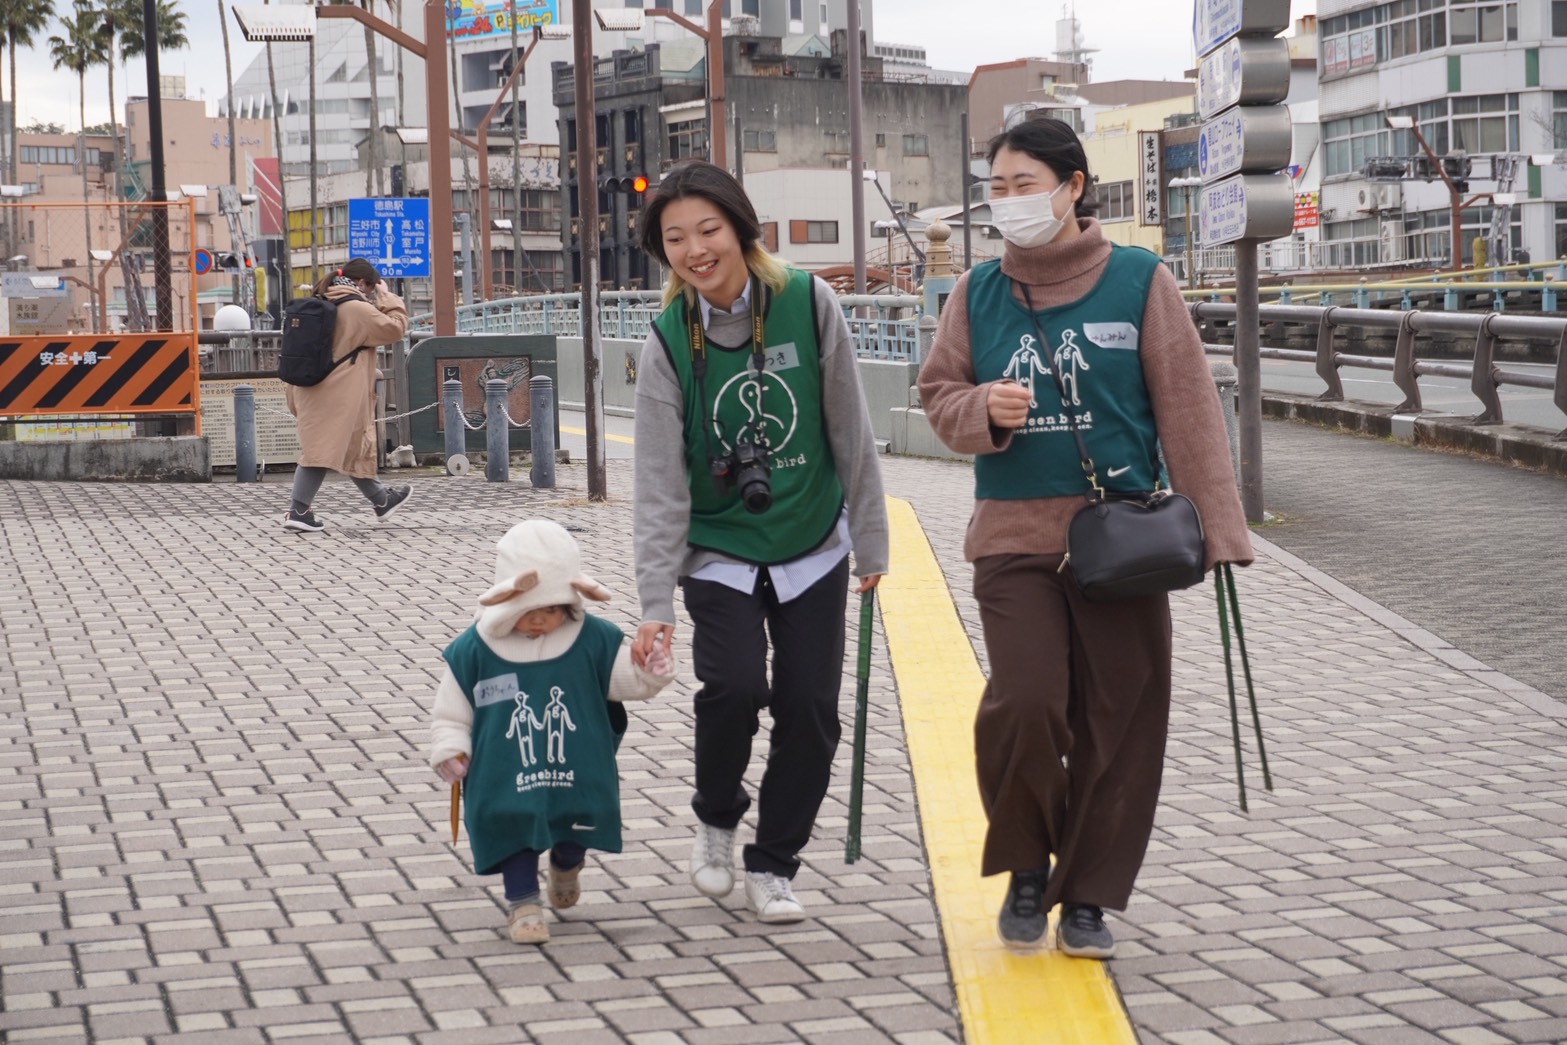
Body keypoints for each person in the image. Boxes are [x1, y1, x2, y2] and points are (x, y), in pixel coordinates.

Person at [917, 117, 1254, 959]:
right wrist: (978, 410)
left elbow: (1187, 410)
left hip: (1125, 538)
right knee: (1025, 703)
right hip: (1012, 539)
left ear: (1072, 187)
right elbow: (936, 395)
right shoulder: (976, 293)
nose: (1007, 201)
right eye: (995, 187)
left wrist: (1220, 530)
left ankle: (1090, 894)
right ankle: (1027, 862)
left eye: (1023, 183)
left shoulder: (1140, 280)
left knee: (1120, 719)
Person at [630, 160, 889, 924]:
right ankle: (716, 815)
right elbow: (657, 480)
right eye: (675, 238)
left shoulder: (809, 304)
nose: (695, 249)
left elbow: (851, 428)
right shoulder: (669, 338)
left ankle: (773, 860)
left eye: (707, 229)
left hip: (813, 538)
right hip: (718, 547)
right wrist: (654, 599)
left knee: (810, 708)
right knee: (735, 687)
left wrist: (870, 542)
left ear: (741, 228)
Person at [430, 519, 677, 944]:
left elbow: (625, 681)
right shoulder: (475, 649)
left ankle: (568, 862)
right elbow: (452, 712)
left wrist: (648, 671)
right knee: (512, 825)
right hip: (504, 773)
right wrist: (451, 748)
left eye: (552, 611)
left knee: (574, 821)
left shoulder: (593, 638)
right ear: (507, 600)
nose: (541, 622)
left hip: (575, 767)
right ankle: (523, 904)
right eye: (530, 613)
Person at [282, 257, 412, 532]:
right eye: (371, 287)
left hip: (310, 388)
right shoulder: (355, 308)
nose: (371, 292)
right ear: (362, 283)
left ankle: (382, 501)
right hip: (335, 394)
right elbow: (396, 328)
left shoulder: (322, 300)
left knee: (354, 447)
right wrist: (387, 295)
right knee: (320, 452)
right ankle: (298, 510)